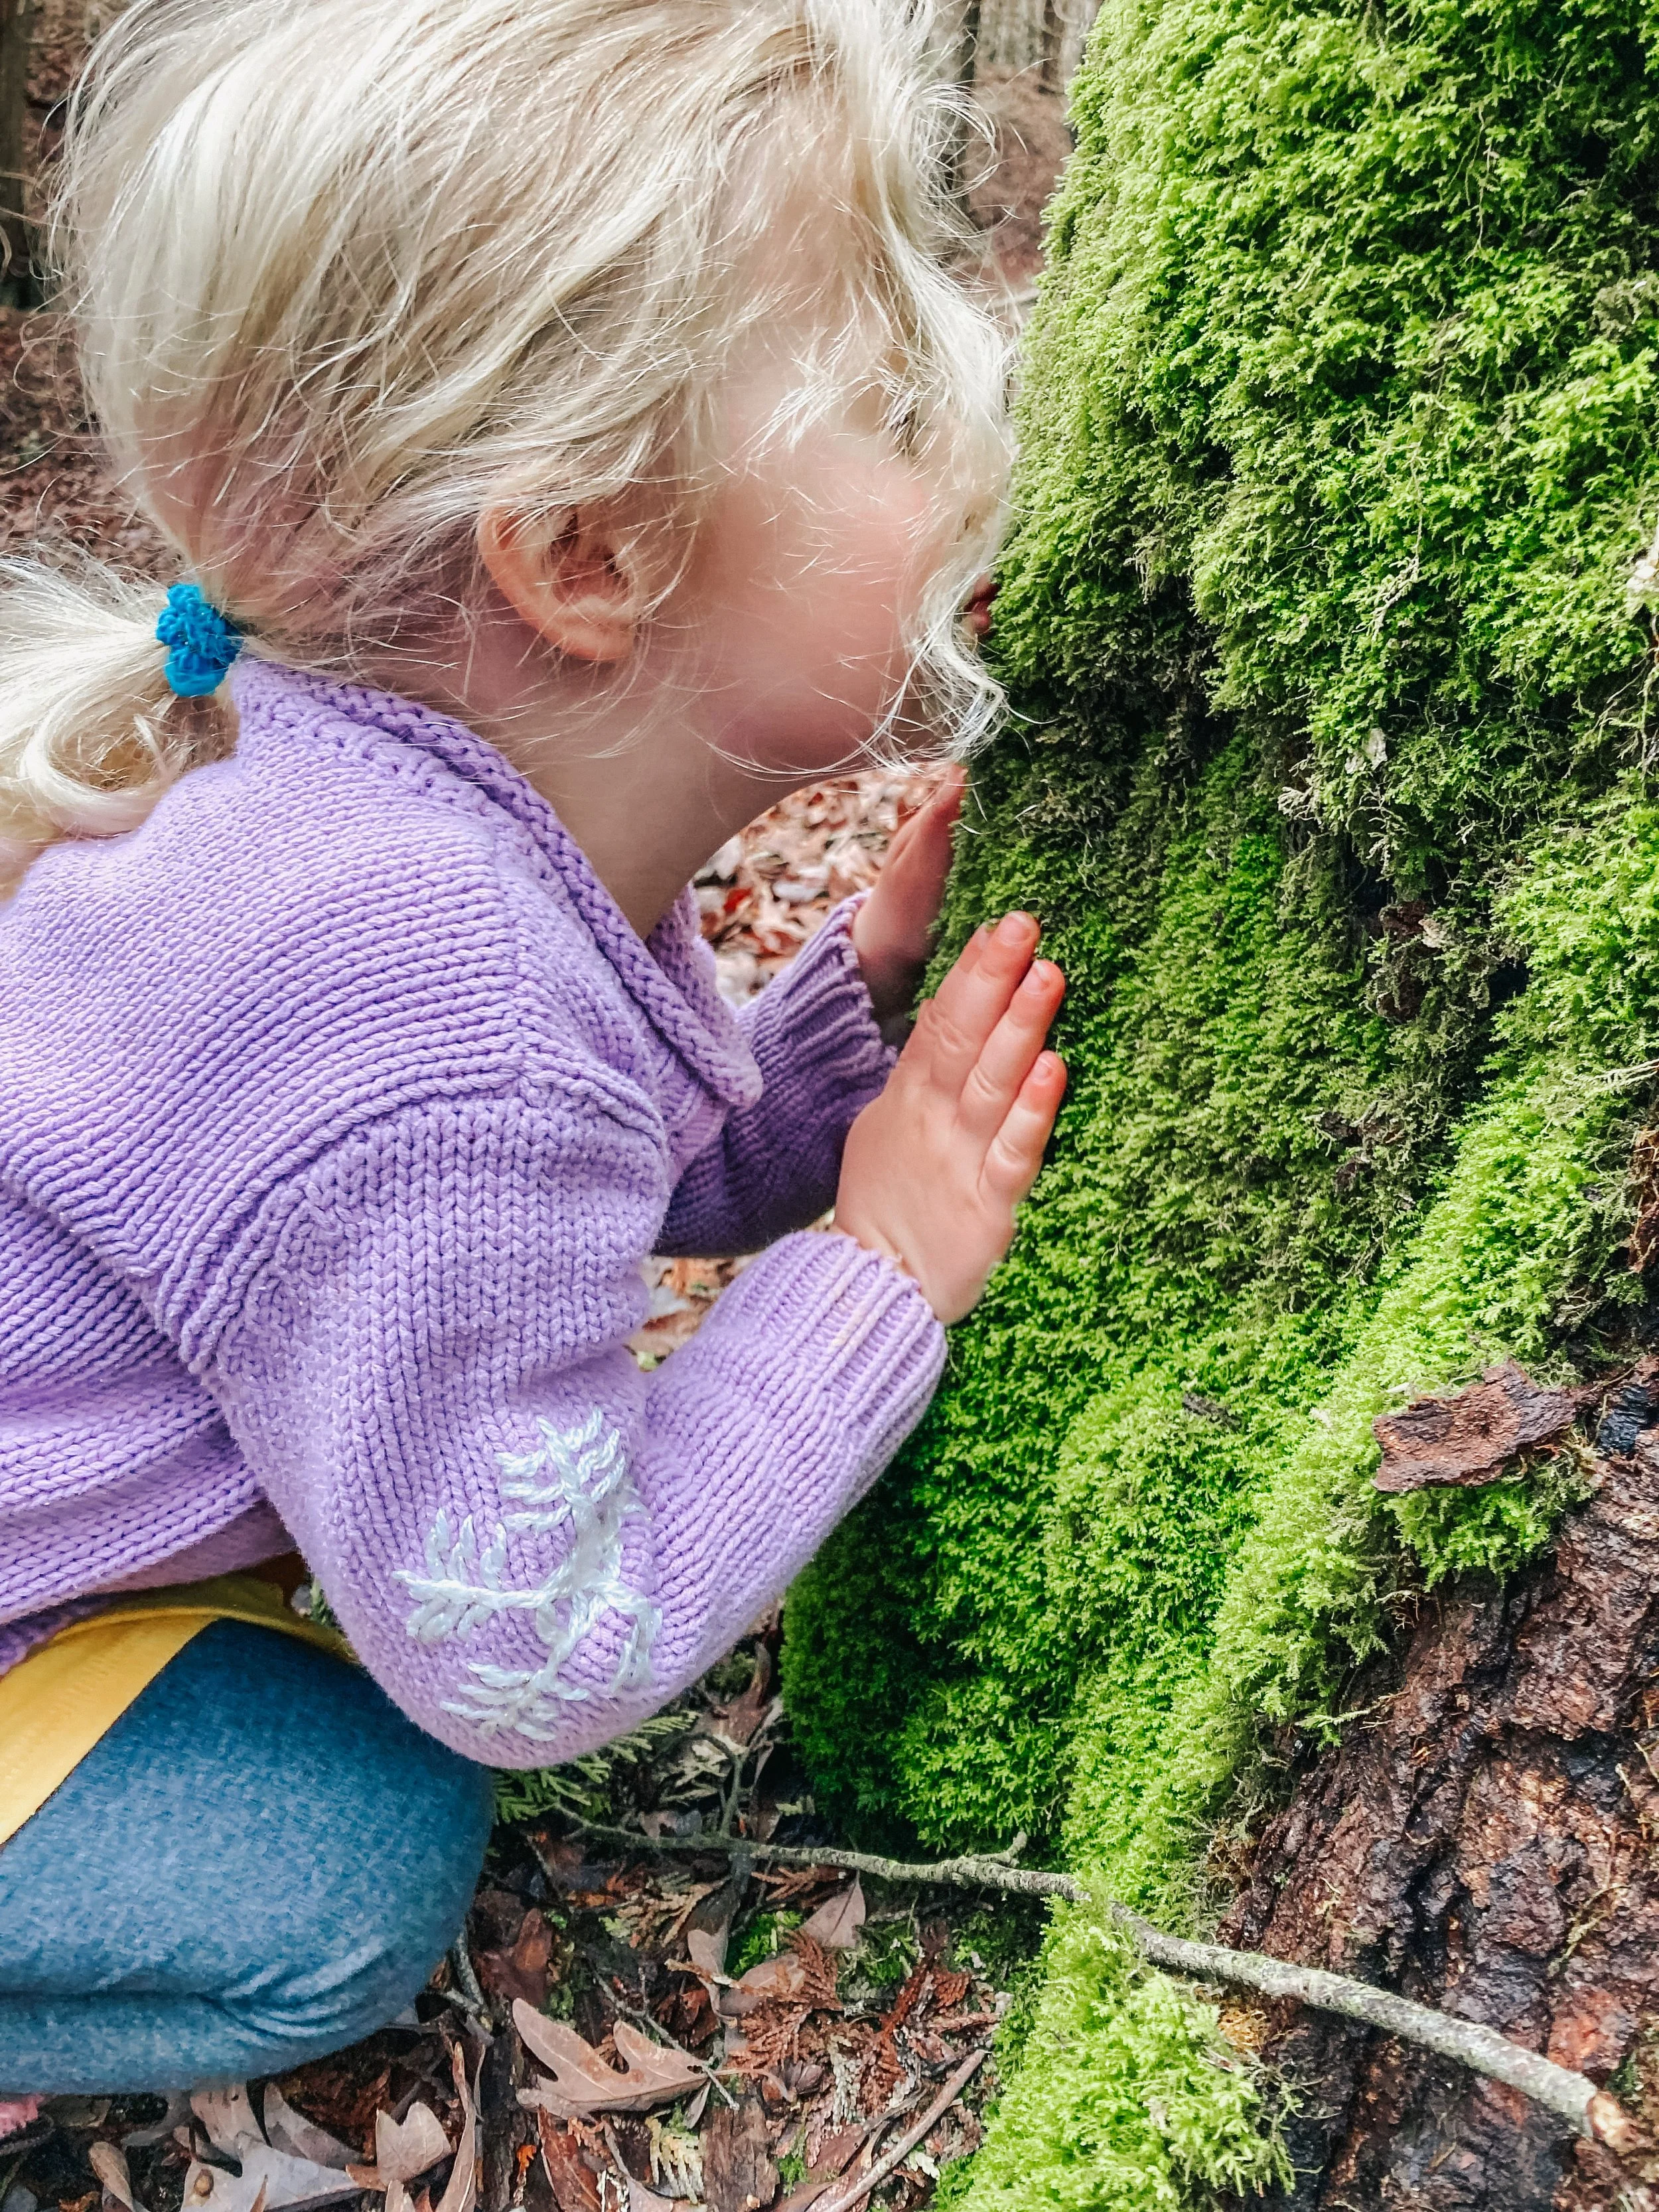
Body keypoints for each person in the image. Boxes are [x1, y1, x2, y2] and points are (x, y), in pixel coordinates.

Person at [0, 0, 1067, 2097]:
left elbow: (527, 1190)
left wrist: (834, 1071)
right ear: (589, 553)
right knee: (335, 1868)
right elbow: (527, 1642)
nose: (980, 397)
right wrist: (877, 1271)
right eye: (877, 380)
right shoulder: (435, 1002)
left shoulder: (370, 831)